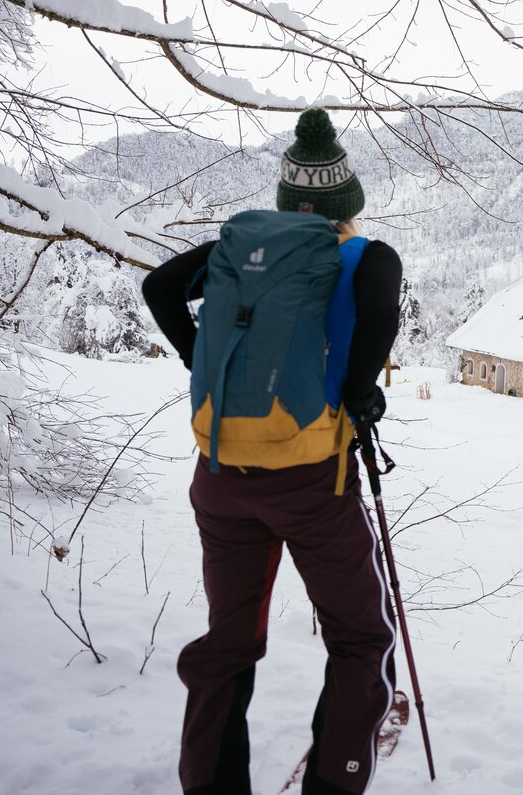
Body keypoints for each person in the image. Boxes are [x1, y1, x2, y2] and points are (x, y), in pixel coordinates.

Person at [142, 108, 403, 795]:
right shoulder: (365, 255)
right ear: (349, 203)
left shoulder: (241, 251)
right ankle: (335, 782)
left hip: (222, 472)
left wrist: (203, 362)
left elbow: (158, 287)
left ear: (288, 200)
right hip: (313, 480)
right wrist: (356, 393)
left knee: (227, 645)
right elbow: (380, 313)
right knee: (359, 639)